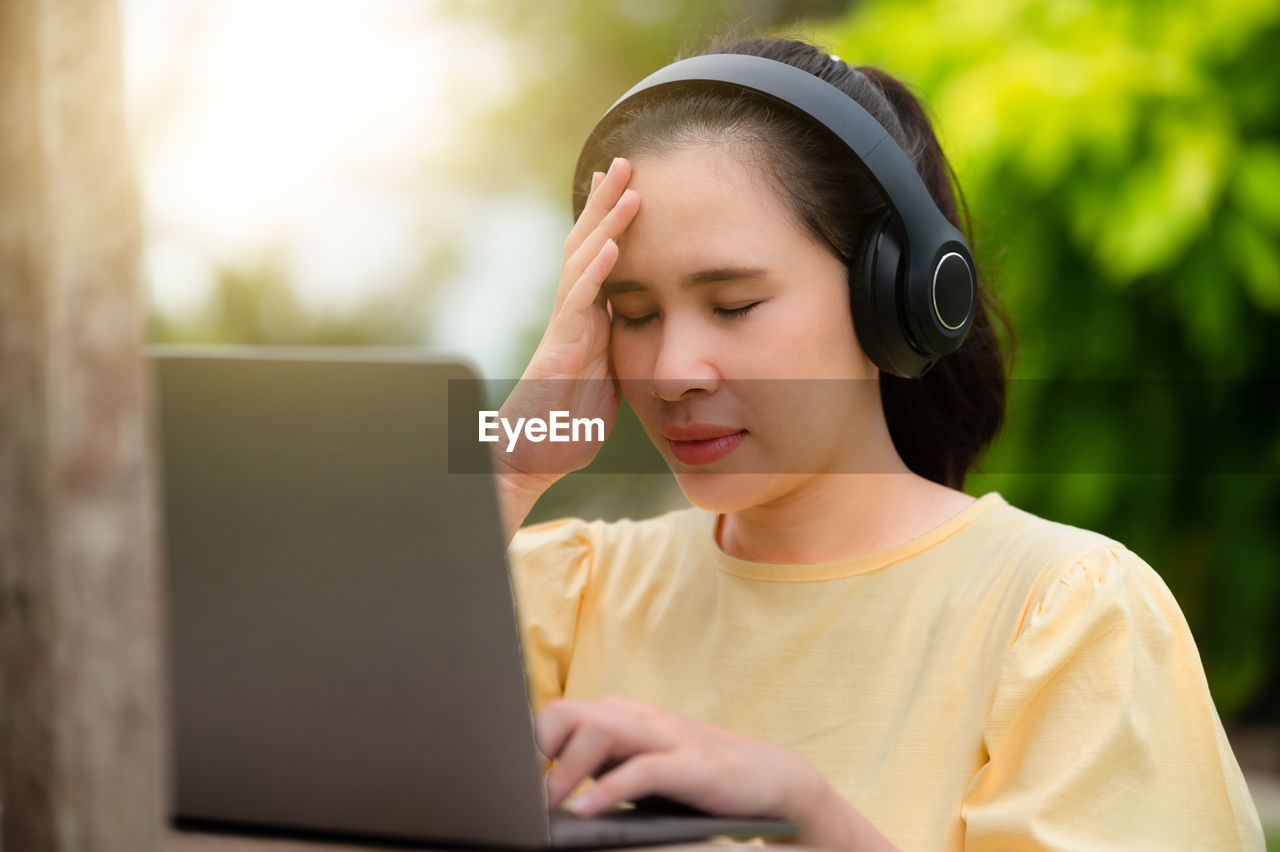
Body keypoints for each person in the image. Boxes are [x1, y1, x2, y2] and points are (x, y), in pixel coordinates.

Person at [491, 35, 1265, 850]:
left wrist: (809, 814)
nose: (672, 371)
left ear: (892, 299)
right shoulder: (560, 593)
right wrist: (508, 467)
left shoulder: (1068, 612)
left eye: (733, 304)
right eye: (636, 315)